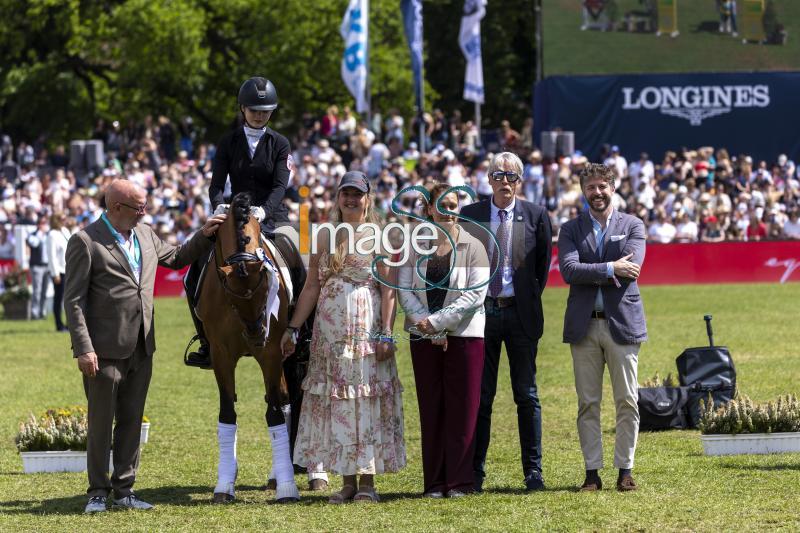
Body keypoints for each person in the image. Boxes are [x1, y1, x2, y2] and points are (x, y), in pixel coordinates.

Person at [64, 179, 226, 513]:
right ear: (115, 207)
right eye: (139, 206)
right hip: (103, 349)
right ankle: (97, 492)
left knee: (132, 420)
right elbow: (74, 301)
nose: (145, 211)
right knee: (100, 423)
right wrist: (84, 348)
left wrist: (205, 233)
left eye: (145, 204)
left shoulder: (146, 233)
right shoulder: (85, 241)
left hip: (142, 344)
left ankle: (124, 490)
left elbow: (178, 257)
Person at [282, 171, 405, 504]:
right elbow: (311, 286)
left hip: (366, 332)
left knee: (365, 401)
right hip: (330, 336)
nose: (351, 199)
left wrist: (385, 333)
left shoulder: (382, 236)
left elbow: (389, 291)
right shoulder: (324, 235)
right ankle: (347, 481)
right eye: (345, 193)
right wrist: (294, 327)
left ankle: (368, 482)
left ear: (368, 198)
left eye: (357, 194)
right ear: (338, 197)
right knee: (338, 405)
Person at [184, 76, 292, 368]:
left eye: (265, 110)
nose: (260, 114)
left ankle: (300, 333)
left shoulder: (280, 143)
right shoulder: (228, 142)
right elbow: (216, 184)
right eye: (254, 109)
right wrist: (219, 204)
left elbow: (280, 186)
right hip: (235, 216)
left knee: (300, 259)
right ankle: (206, 340)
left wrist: (264, 212)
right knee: (193, 271)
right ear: (242, 109)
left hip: (271, 218)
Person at [460, 152, 553, 493]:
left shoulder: (536, 215)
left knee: (526, 395)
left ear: (520, 181)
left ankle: (533, 473)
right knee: (481, 398)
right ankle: (475, 473)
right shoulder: (470, 216)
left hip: (520, 315)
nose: (505, 182)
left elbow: (540, 270)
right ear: (489, 179)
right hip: (481, 313)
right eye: (499, 176)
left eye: (511, 177)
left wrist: (522, 300)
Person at [557, 163, 647, 493]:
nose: (597, 192)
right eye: (591, 187)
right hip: (584, 327)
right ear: (583, 191)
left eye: (602, 186)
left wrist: (592, 269)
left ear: (613, 187)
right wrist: (611, 267)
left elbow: (633, 268)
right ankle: (591, 473)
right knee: (588, 403)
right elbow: (568, 270)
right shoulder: (570, 229)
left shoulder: (633, 225)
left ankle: (625, 470)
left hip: (622, 324)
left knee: (627, 400)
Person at [398, 182, 489, 498]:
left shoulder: (474, 245)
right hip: (422, 339)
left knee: (463, 411)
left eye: (453, 204)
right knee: (431, 409)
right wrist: (427, 327)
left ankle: (460, 482)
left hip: (464, 337)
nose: (448, 210)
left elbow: (475, 295)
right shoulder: (416, 245)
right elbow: (404, 289)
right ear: (429, 210)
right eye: (442, 204)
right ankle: (435, 483)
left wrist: (436, 323)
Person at [47, 213, 74, 331]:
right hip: (60, 271)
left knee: (69, 299)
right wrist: (55, 273)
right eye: (62, 218)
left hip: (69, 269)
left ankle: (70, 323)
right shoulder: (52, 234)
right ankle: (59, 324)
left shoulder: (65, 231)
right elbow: (51, 255)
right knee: (59, 298)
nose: (65, 220)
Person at [26, 216, 51, 319]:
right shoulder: (33, 235)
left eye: (45, 223)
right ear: (38, 224)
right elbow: (34, 244)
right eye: (41, 223)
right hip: (37, 266)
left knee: (44, 291)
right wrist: (41, 234)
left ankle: (42, 311)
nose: (43, 225)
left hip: (47, 266)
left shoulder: (49, 235)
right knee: (37, 291)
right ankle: (35, 313)